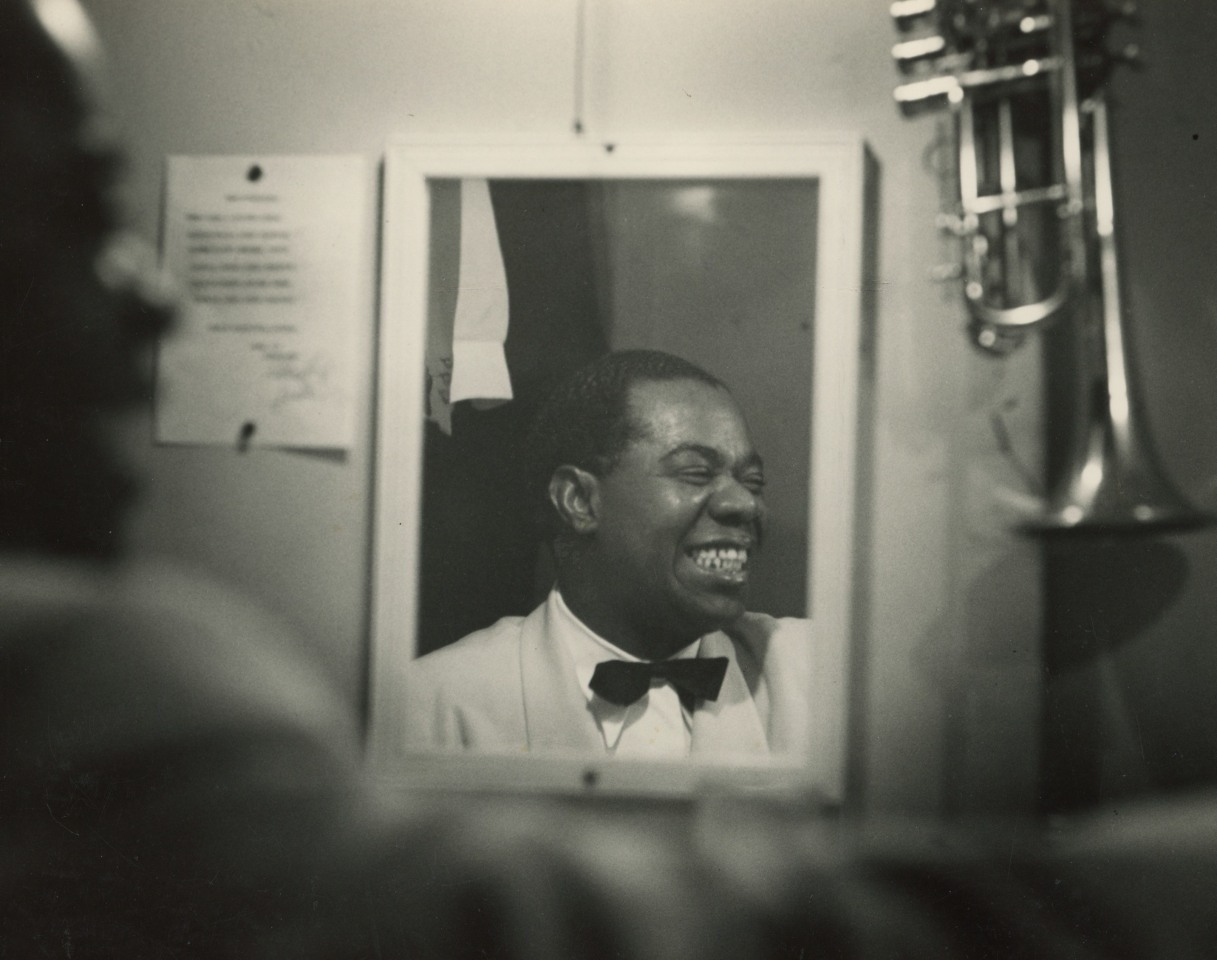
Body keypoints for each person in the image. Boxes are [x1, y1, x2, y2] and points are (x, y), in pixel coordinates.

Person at [401, 350, 815, 759]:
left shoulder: (811, 671)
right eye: (696, 473)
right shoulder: (437, 705)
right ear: (579, 500)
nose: (744, 503)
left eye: (753, 480)